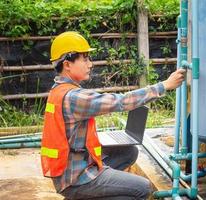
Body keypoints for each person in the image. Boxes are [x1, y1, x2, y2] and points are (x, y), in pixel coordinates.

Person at [40, 31, 185, 199]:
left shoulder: (58, 90)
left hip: (71, 169)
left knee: (129, 152)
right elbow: (121, 102)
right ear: (67, 64)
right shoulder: (73, 97)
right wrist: (164, 85)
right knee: (143, 188)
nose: (90, 64)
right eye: (85, 59)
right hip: (76, 178)